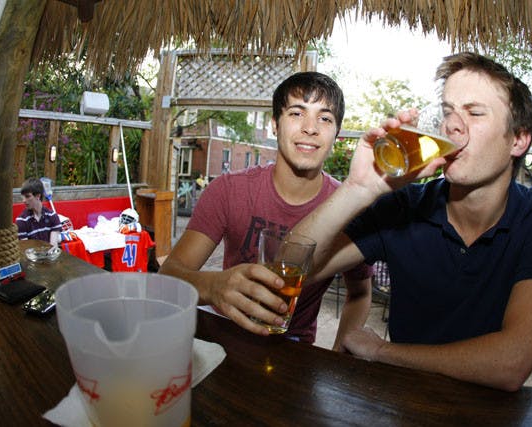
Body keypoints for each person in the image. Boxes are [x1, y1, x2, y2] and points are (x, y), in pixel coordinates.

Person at [291, 52, 532, 391]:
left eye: (475, 112)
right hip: (405, 406)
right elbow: (288, 269)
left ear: (518, 139)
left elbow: (512, 363)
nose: (452, 124)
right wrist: (357, 189)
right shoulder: (406, 206)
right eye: (448, 111)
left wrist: (381, 351)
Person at [159, 71, 372, 347]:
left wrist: (339, 354)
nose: (310, 127)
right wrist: (214, 287)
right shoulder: (229, 190)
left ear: (337, 133)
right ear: (275, 125)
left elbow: (360, 294)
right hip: (225, 338)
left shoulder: (349, 208)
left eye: (325, 118)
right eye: (297, 113)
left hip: (295, 349)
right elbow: (168, 278)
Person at [15, 177, 61, 245]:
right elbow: (25, 249)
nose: (23, 200)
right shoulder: (21, 221)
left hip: (48, 254)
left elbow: (53, 247)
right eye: (23, 197)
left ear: (38, 196)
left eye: (27, 196)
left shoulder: (52, 216)